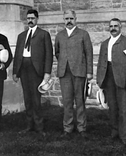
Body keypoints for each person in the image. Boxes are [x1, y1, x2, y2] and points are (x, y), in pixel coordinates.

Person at [96, 18, 126, 145]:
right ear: (108, 28)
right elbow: (101, 63)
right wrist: (100, 80)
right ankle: (114, 132)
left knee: (123, 109)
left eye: (116, 26)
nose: (113, 28)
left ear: (120, 27)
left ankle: (124, 136)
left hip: (122, 79)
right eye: (111, 26)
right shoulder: (104, 44)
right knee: (112, 107)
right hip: (108, 77)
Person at [12, 9, 53, 137]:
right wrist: (15, 72)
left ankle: (39, 127)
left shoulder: (43, 34)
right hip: (24, 69)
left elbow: (49, 55)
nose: (30, 20)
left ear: (37, 19)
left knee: (36, 99)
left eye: (32, 18)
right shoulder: (21, 36)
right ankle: (29, 126)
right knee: (27, 99)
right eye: (28, 18)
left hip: (36, 70)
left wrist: (47, 73)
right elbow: (17, 55)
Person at [55, 10, 93, 139]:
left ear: (76, 19)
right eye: (66, 18)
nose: (69, 21)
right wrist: (64, 63)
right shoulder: (59, 35)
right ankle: (68, 127)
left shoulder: (83, 34)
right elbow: (57, 53)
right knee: (67, 101)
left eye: (71, 18)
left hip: (79, 72)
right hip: (64, 72)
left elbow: (89, 54)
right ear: (63, 20)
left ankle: (82, 128)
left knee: (80, 101)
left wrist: (89, 72)